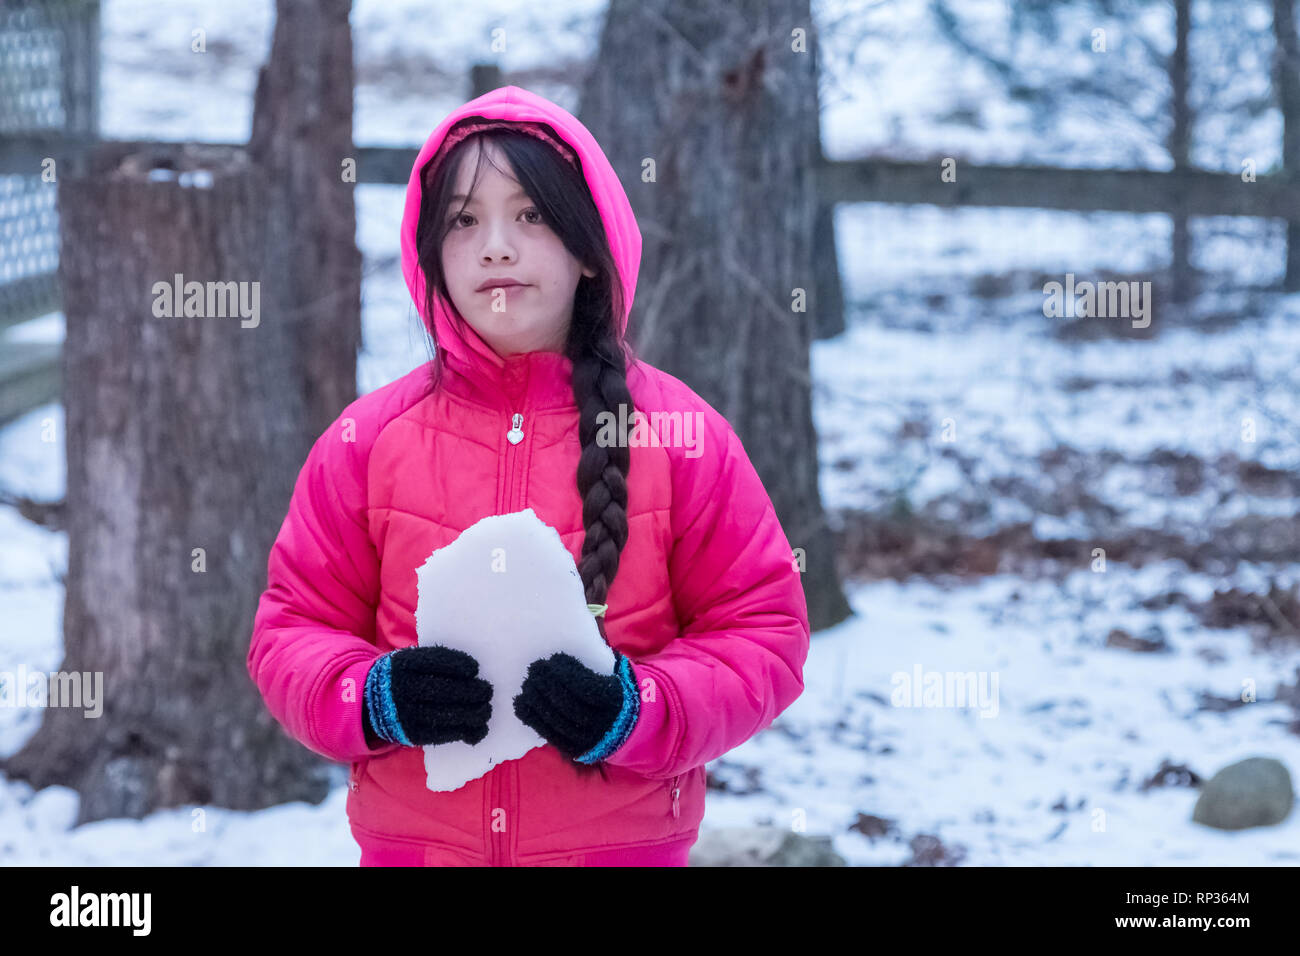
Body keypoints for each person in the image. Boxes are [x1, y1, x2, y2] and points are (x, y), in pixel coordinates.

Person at [246, 85, 810, 866]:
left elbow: (763, 635)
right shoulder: (367, 439)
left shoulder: (682, 437)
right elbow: (290, 631)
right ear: (431, 253)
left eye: (532, 215)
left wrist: (638, 710)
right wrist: (376, 698)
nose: (496, 247)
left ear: (588, 248)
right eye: (464, 220)